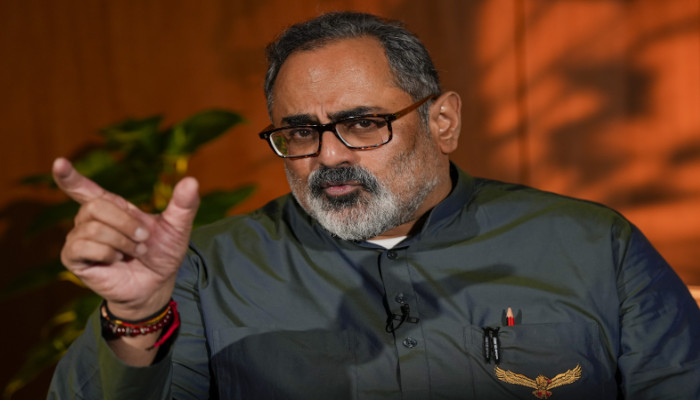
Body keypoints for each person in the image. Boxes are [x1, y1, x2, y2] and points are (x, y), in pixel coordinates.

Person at [47, 11, 699, 400]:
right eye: (300, 131)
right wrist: (136, 319)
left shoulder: (592, 245)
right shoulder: (203, 269)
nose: (328, 155)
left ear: (443, 121)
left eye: (363, 123)